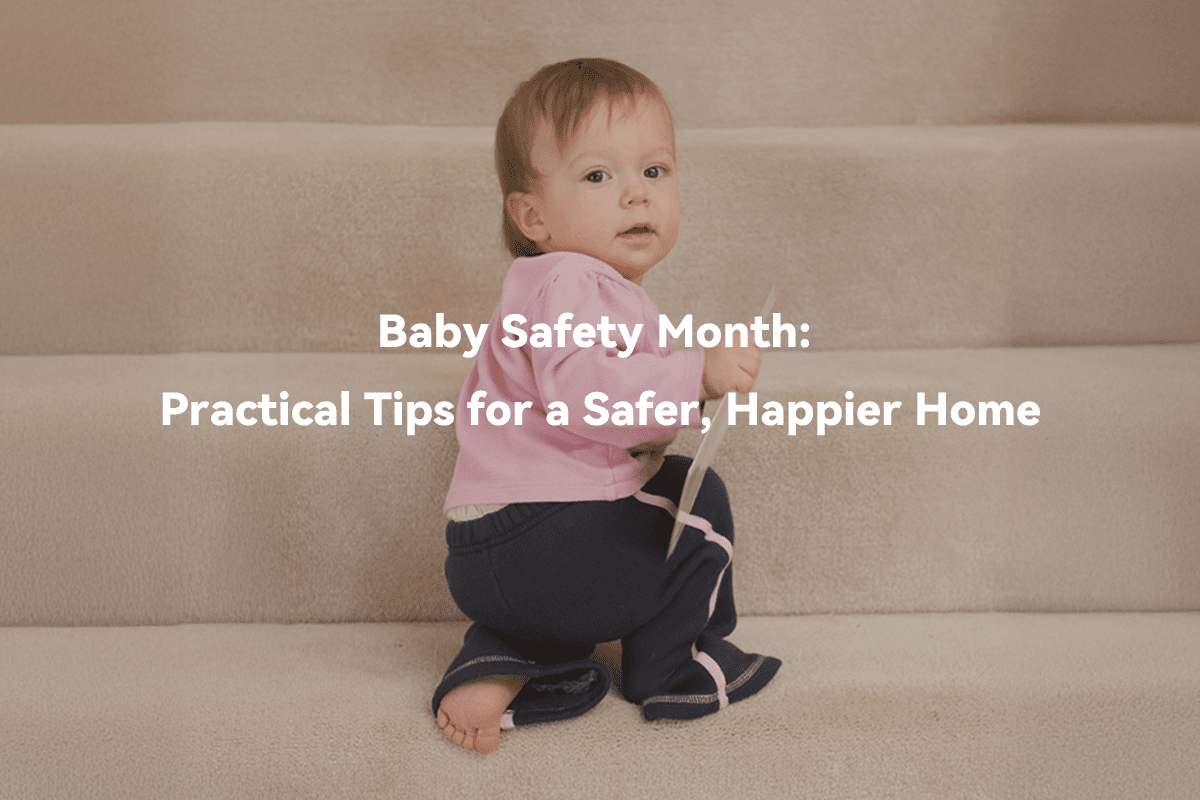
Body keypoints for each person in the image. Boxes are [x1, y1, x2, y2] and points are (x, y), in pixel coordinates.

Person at [433, 58, 781, 755]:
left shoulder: (550, 284)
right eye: (598, 176)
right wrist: (696, 376)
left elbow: (596, 404)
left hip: (492, 553)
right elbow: (587, 395)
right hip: (547, 536)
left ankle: (500, 657)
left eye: (655, 170)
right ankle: (670, 669)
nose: (635, 194)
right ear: (533, 216)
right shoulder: (573, 280)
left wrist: (669, 408)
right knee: (697, 505)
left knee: (617, 528)